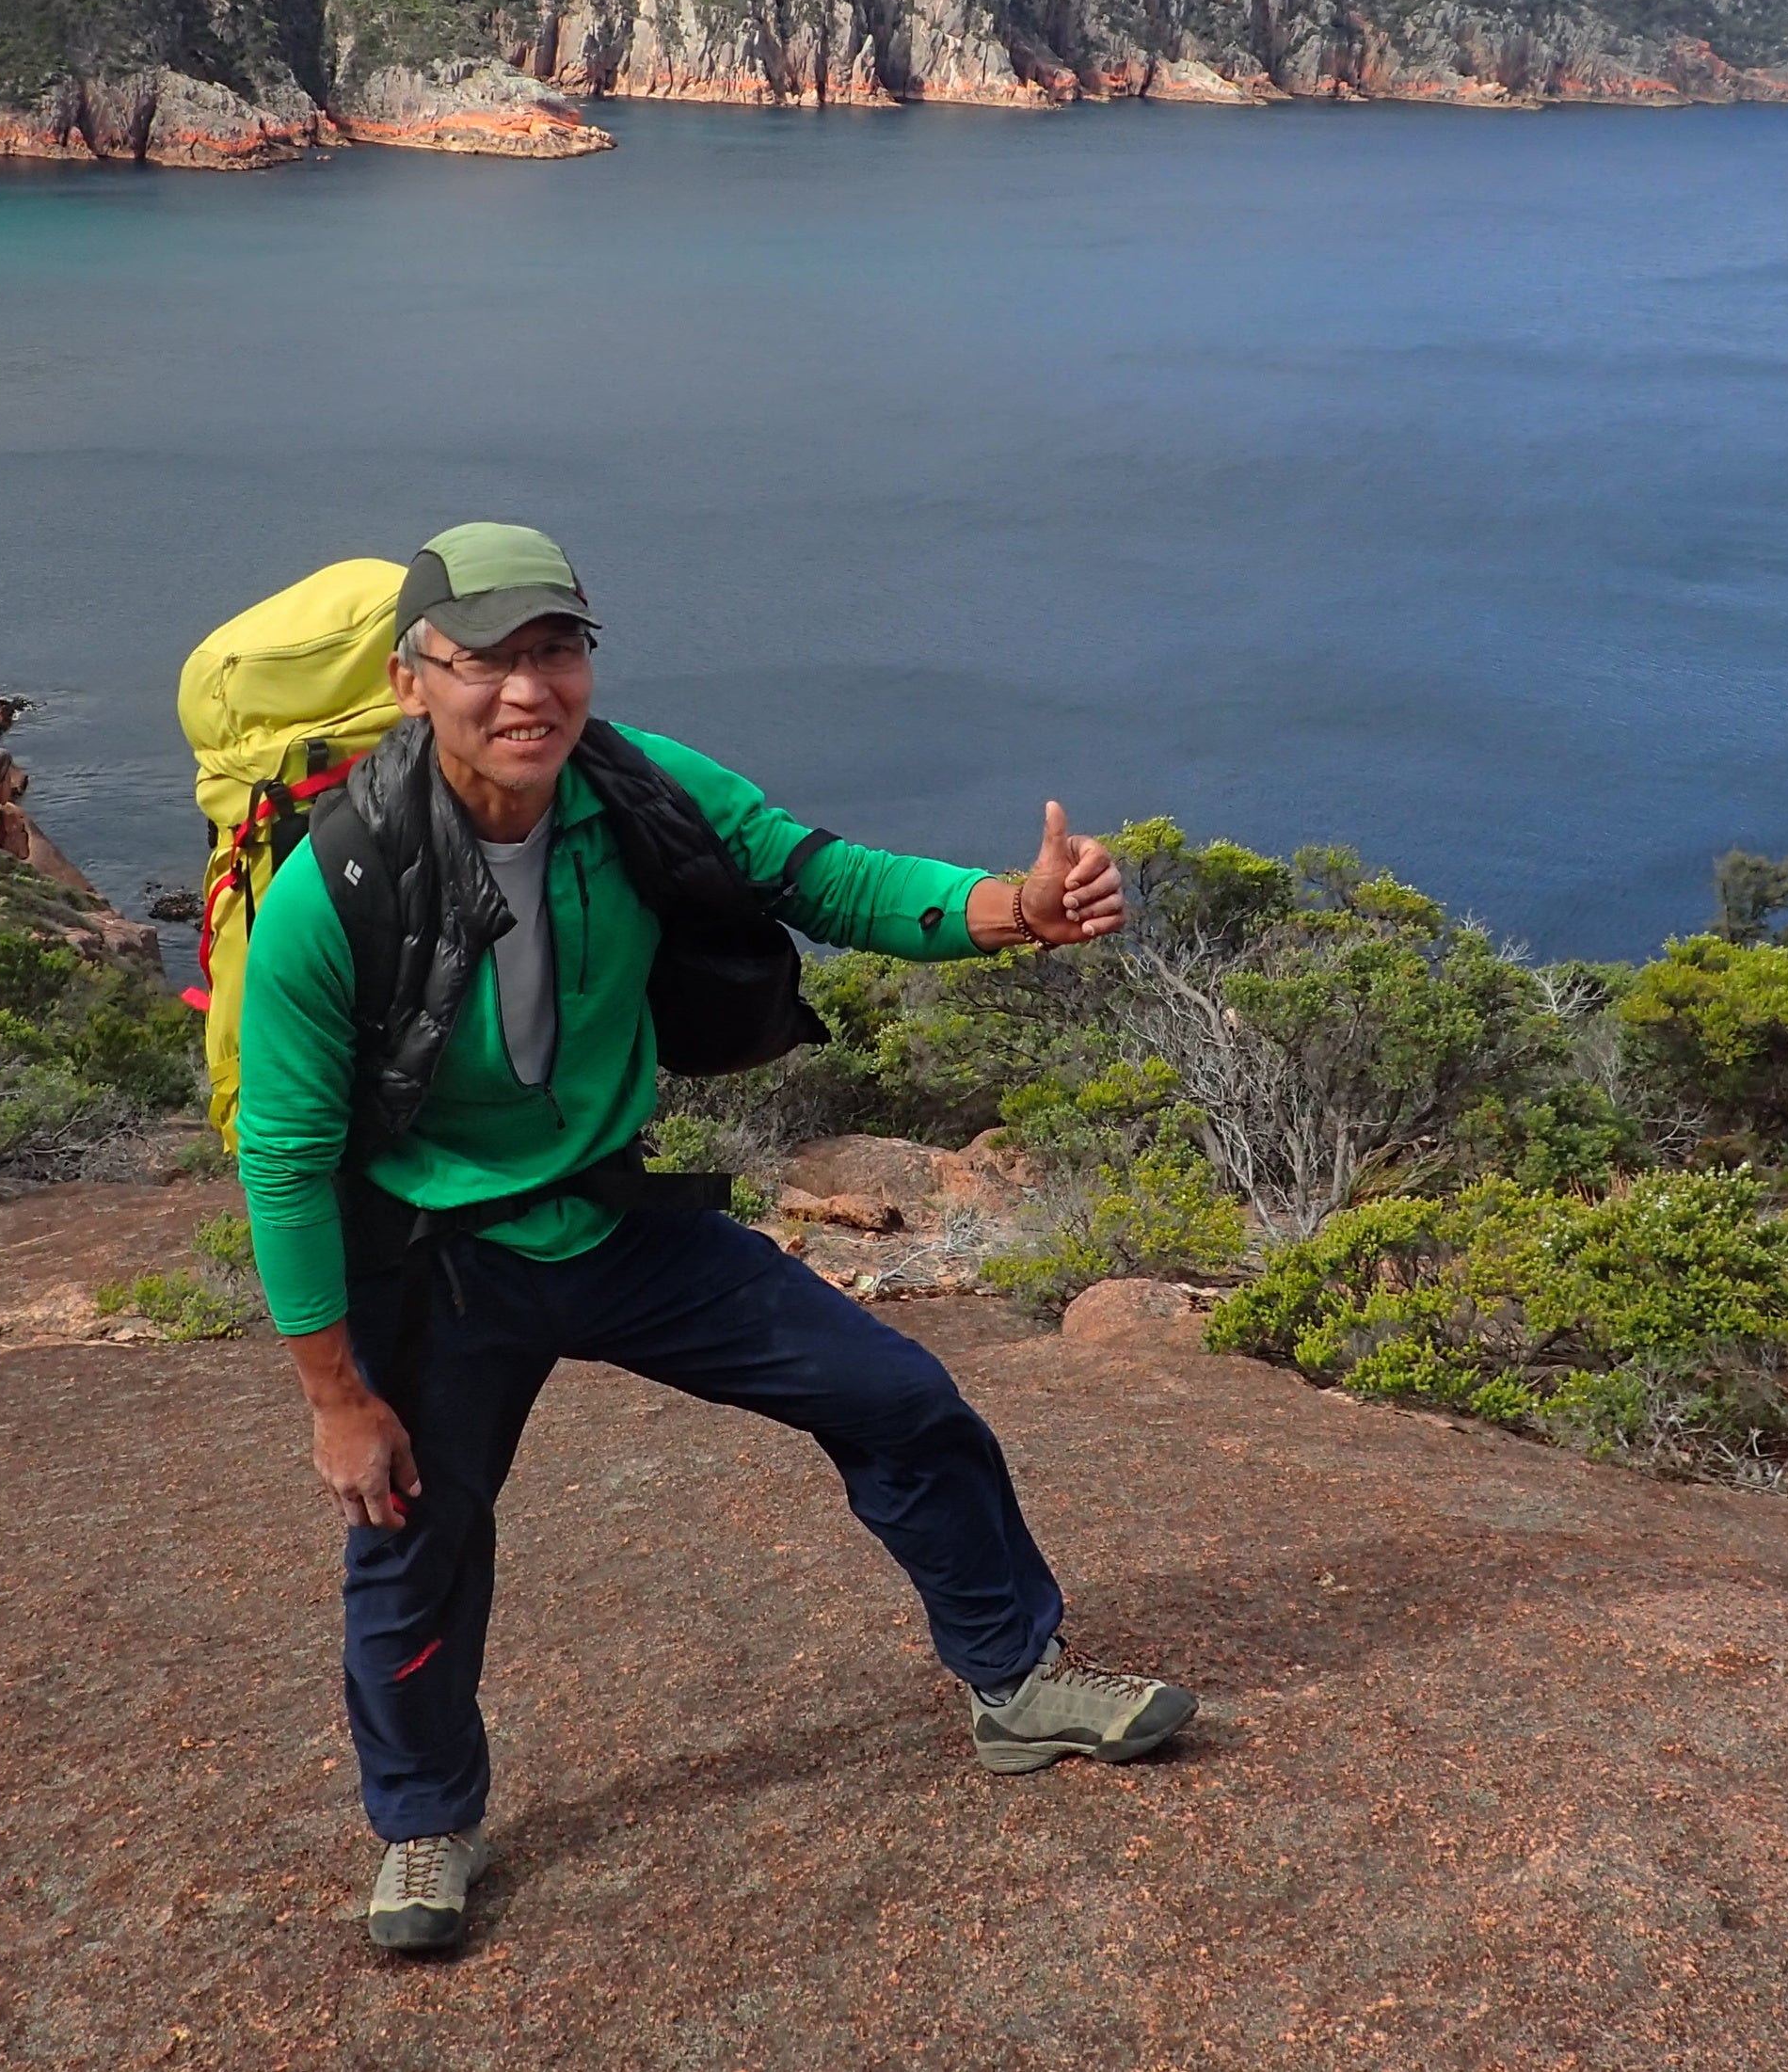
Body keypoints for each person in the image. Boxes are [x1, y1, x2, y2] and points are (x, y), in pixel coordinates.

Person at [232, 521, 1197, 1955]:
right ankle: (425, 1822)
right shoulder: (338, 886)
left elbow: (824, 875)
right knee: (414, 1541)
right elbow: (287, 1154)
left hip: (616, 1220)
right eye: (486, 658)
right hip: (436, 1259)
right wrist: (334, 1394)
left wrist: (1009, 908)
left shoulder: (638, 791)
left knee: (897, 1399)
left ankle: (1016, 1681)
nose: (527, 690)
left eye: (555, 650)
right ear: (410, 679)